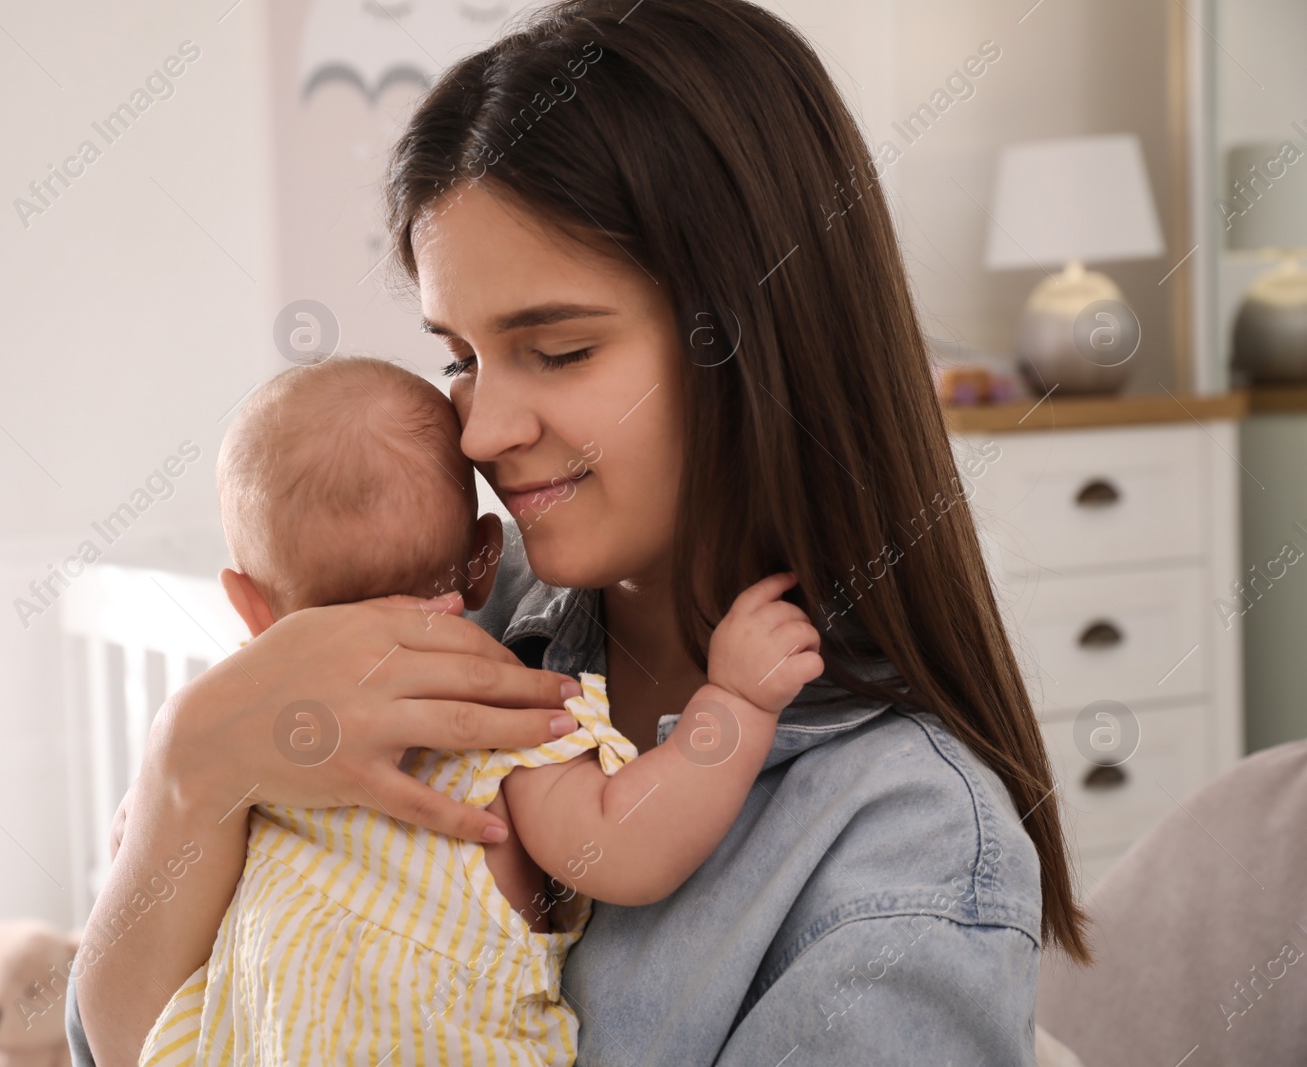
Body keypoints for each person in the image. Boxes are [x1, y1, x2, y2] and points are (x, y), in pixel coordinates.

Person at [71, 0, 1090, 1062]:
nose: (481, 429)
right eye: (459, 356)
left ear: (749, 341)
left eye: (556, 351)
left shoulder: (903, 846)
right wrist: (183, 769)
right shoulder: (448, 612)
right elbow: (130, 1040)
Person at [132, 355, 821, 1063]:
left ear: (247, 603)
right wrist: (737, 701)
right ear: (486, 557)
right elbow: (627, 847)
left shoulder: (255, 751)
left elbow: (150, 922)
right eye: (461, 358)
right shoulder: (497, 713)